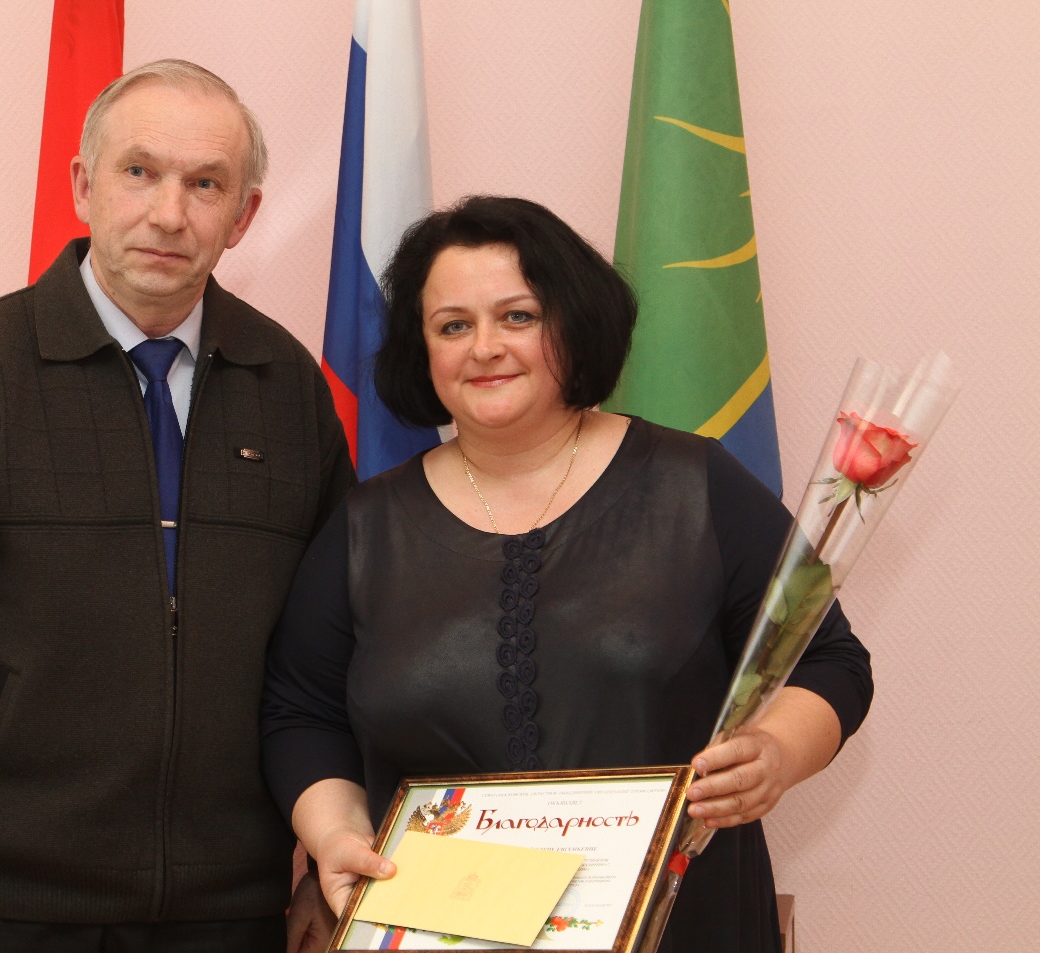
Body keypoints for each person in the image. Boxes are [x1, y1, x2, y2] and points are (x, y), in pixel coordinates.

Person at [0, 60, 353, 953]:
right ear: (82, 186)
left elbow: (332, 657)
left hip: (228, 913)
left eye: (205, 183)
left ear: (242, 215)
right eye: (139, 171)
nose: (168, 212)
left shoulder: (288, 388)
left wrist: (323, 861)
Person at [260, 196, 873, 953]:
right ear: (421, 350)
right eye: (452, 326)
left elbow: (826, 658)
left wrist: (775, 752)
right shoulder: (363, 526)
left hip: (680, 922)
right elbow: (301, 711)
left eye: (517, 316)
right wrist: (335, 832)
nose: (484, 347)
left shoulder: (697, 484)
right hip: (440, 925)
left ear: (573, 325)